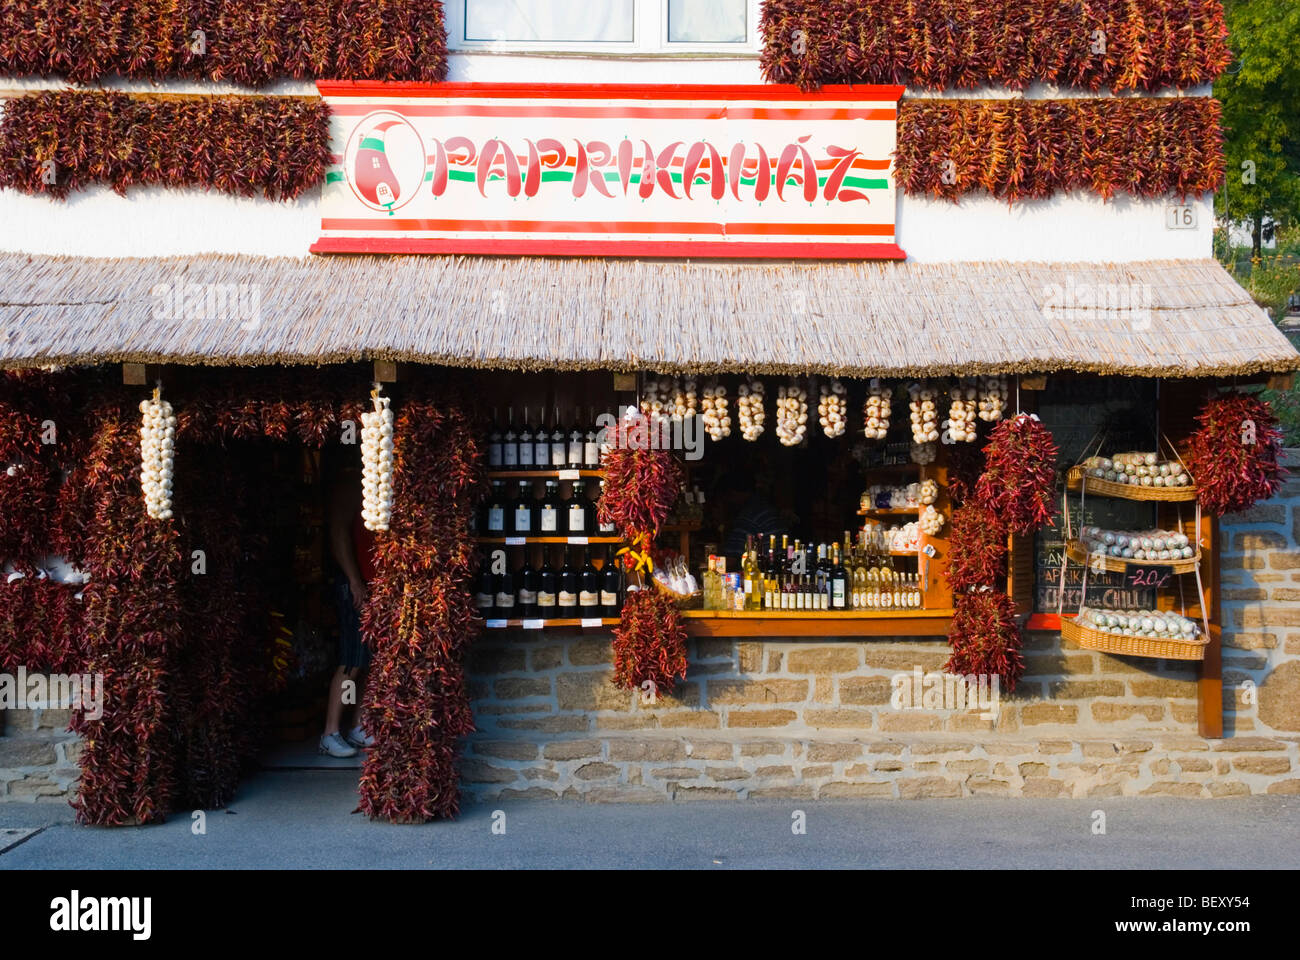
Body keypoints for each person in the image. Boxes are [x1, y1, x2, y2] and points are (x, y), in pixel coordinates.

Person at [319, 461, 377, 758]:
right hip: (355, 585)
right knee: (352, 658)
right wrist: (355, 581)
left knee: (368, 658)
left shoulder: (375, 487)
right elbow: (338, 535)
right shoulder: (348, 487)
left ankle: (357, 726)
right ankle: (330, 732)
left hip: (371, 583)